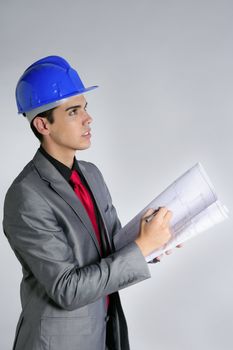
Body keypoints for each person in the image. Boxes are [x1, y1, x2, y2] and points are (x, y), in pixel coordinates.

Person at [3, 55, 177, 350]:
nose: (88, 118)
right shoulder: (26, 195)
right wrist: (142, 247)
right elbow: (67, 289)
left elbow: (112, 250)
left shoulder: (92, 175)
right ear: (43, 124)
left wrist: (151, 242)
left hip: (105, 332)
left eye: (85, 108)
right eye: (73, 112)